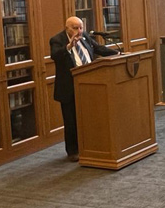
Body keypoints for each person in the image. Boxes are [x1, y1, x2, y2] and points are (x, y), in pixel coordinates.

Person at [49, 16, 118, 162]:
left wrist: (118, 54)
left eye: (81, 27)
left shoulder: (85, 36)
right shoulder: (57, 40)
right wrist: (69, 46)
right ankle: (73, 151)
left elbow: (98, 48)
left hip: (89, 84)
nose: (79, 31)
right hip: (69, 87)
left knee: (89, 118)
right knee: (71, 120)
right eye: (75, 28)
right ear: (67, 28)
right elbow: (55, 56)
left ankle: (90, 146)